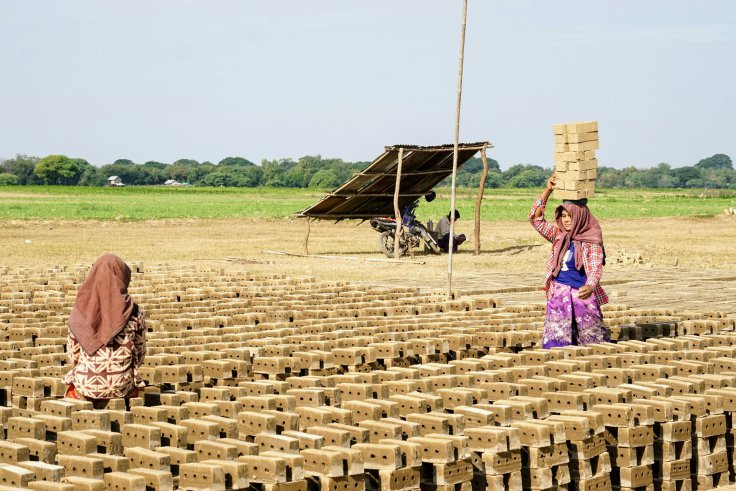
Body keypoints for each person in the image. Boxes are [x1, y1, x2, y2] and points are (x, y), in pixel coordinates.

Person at [529, 173, 609, 348]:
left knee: (591, 341)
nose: (565, 220)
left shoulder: (591, 240)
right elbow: (536, 219)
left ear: (580, 216)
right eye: (563, 216)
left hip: (582, 295)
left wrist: (591, 286)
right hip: (559, 294)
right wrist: (548, 190)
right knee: (557, 341)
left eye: (569, 216)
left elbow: (595, 268)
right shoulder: (559, 236)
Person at [63, 254, 146, 408]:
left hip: (85, 387)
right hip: (122, 387)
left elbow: (73, 355)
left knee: (70, 396)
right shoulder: (134, 312)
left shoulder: (80, 310)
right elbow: (139, 355)